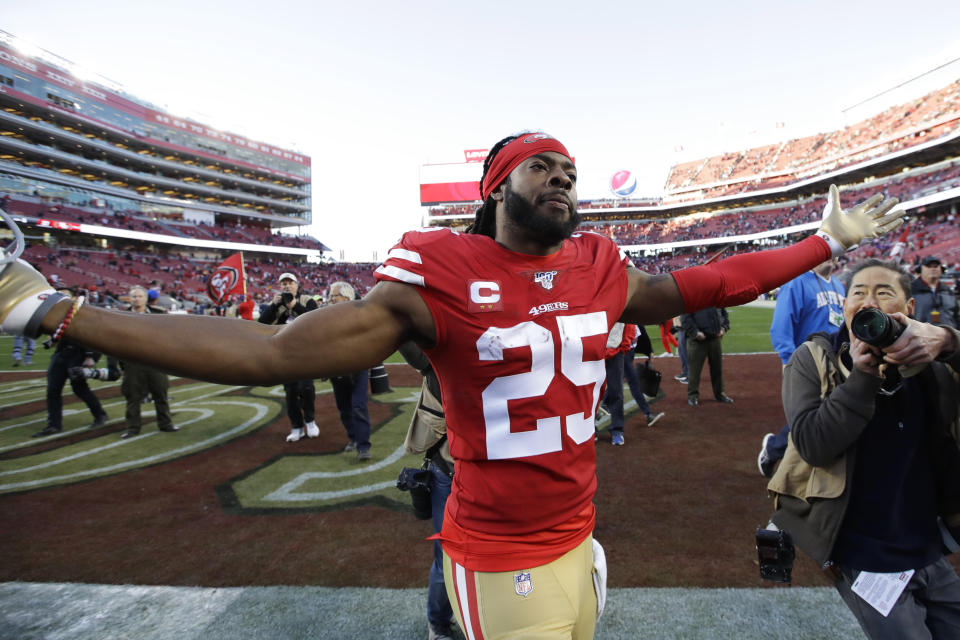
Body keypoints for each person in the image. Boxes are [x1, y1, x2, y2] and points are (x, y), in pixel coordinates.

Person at [0, 132, 904, 640]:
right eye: (545, 165)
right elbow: (271, 355)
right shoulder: (435, 270)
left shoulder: (597, 263)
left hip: (578, 530)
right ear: (496, 184)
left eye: (573, 171)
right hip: (499, 550)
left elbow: (708, 285)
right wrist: (58, 315)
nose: (565, 177)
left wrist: (822, 242)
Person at [766, 259, 960, 640]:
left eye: (883, 292)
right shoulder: (814, 359)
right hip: (863, 555)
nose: (868, 300)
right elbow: (813, 445)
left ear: (909, 310)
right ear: (845, 306)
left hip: (927, 548)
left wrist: (947, 340)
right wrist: (862, 377)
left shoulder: (932, 366)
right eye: (858, 292)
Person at [758, 257, 845, 477]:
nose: (831, 255)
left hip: (836, 360)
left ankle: (783, 451)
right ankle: (774, 449)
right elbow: (781, 325)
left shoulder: (840, 284)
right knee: (809, 415)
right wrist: (788, 360)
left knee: (829, 414)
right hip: (807, 361)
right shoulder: (796, 282)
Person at [397, 341, 457, 640]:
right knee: (449, 556)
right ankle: (439, 623)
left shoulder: (444, 356)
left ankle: (439, 624)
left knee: (447, 556)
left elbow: (406, 337)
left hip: (451, 466)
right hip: (463, 469)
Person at [30, 288, 108, 437]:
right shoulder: (56, 314)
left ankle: (100, 414)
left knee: (79, 388)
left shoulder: (82, 313)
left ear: (73, 299)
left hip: (78, 354)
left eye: (65, 296)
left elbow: (91, 335)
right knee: (53, 390)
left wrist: (89, 356)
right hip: (61, 354)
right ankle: (54, 424)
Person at [258, 272, 319, 443]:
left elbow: (315, 321)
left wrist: (294, 305)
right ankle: (296, 426)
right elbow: (261, 324)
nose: (286, 286)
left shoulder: (307, 300)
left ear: (297, 285)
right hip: (284, 352)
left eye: (290, 282)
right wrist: (274, 306)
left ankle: (310, 420)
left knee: (307, 388)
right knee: (290, 392)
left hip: (304, 351)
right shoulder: (275, 303)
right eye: (283, 283)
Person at [119, 285, 176, 439]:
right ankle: (132, 428)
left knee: (161, 393)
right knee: (133, 397)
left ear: (145, 298)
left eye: (140, 296)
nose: (137, 299)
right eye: (134, 296)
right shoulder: (120, 317)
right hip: (132, 361)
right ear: (129, 299)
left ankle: (165, 424)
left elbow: (168, 337)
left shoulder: (159, 314)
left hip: (154, 360)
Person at [326, 282, 371, 461]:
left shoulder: (360, 315)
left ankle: (363, 446)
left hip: (357, 366)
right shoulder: (325, 318)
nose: (330, 300)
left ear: (346, 298)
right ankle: (353, 438)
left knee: (358, 405)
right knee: (343, 407)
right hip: (337, 369)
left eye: (333, 297)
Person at [602, 323, 664, 445]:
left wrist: (626, 346)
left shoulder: (625, 307)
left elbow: (634, 326)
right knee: (593, 390)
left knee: (619, 387)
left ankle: (617, 429)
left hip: (619, 350)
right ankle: (594, 427)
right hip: (598, 348)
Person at [680, 307, 733, 406]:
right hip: (697, 341)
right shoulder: (692, 297)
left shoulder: (716, 297)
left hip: (714, 338)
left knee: (717, 368)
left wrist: (724, 328)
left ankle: (719, 394)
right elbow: (685, 318)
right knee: (695, 370)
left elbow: (724, 314)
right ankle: (692, 396)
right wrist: (695, 333)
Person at [910, 255, 959, 329]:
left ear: (941, 269)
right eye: (928, 266)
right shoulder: (910, 290)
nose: (933, 269)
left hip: (949, 337)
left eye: (936, 266)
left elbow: (955, 316)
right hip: (921, 337)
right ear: (920, 270)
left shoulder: (948, 291)